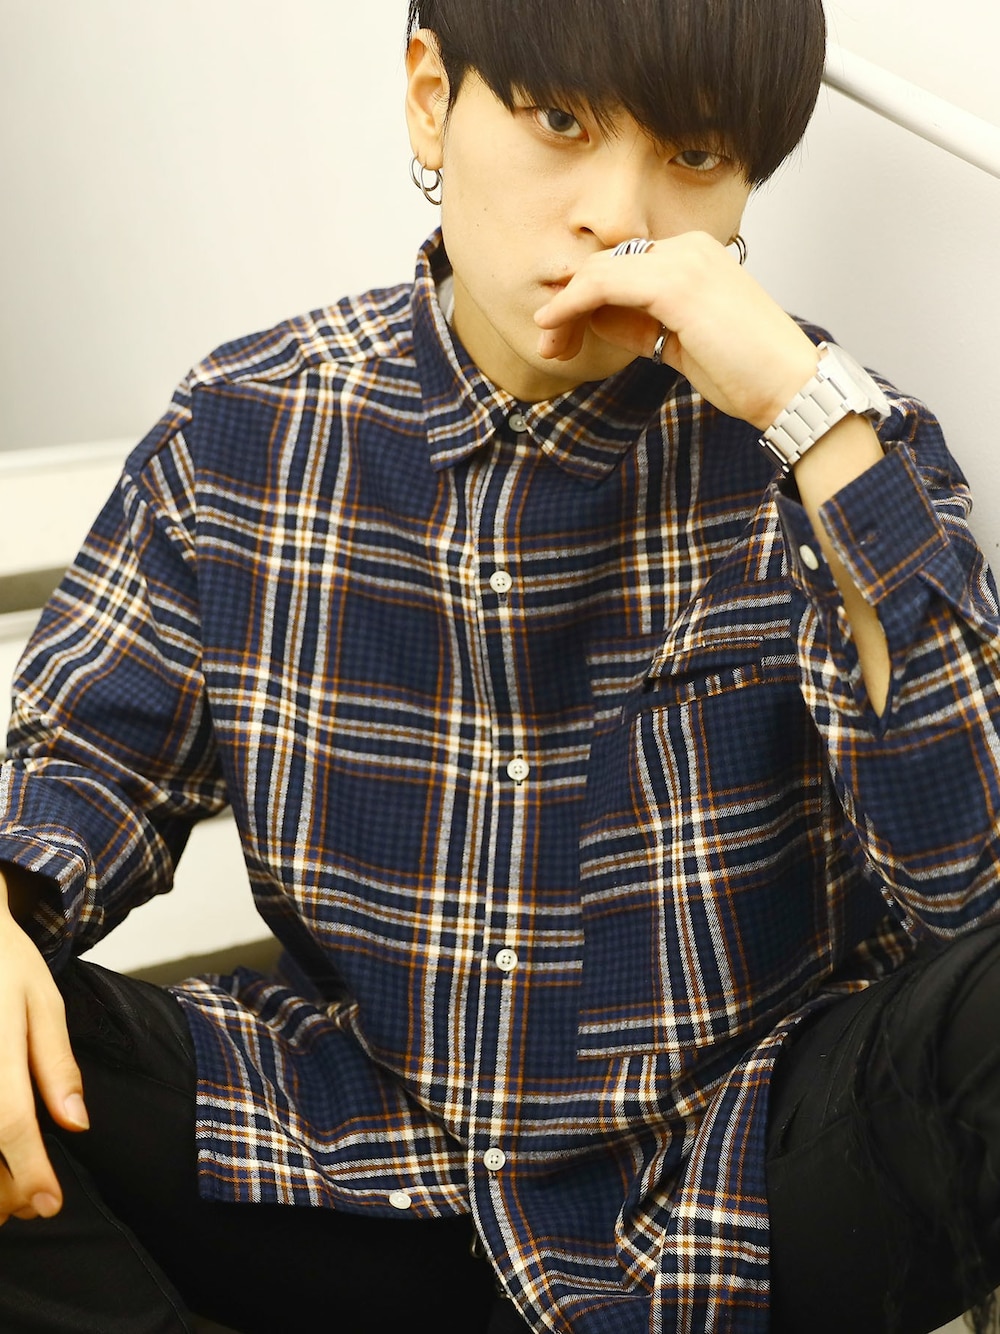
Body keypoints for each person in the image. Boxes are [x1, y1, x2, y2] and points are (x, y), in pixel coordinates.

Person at [1, 1, 1000, 1330]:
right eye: (561, 123)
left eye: (695, 156)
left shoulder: (837, 451)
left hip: (750, 1185)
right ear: (433, 99)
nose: (618, 218)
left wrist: (805, 414)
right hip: (355, 1168)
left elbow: (976, 894)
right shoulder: (248, 430)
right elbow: (72, 773)